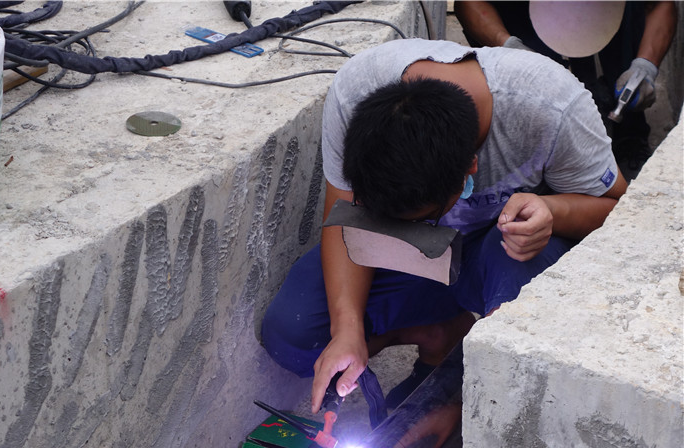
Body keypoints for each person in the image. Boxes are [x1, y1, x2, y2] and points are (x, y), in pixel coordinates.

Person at [261, 36, 627, 425]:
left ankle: (477, 380)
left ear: (470, 168)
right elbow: (345, 218)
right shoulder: (355, 94)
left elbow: (621, 210)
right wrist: (346, 330)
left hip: (497, 254)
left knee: (514, 353)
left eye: (422, 217)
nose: (414, 227)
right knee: (294, 334)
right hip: (415, 264)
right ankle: (440, 333)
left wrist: (553, 210)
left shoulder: (551, 107)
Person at [454, 1, 678, 180]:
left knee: (632, 8)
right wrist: (509, 47)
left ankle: (629, 137)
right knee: (542, 98)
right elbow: (468, 3)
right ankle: (542, 144)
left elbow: (661, 4)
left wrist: (646, 65)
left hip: (613, 14)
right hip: (524, 16)